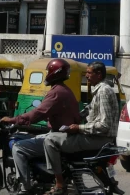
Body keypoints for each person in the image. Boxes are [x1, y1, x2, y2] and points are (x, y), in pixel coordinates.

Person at [0, 58, 80, 195]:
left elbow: (38, 113)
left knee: (18, 147)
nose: (47, 74)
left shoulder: (56, 92)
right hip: (64, 134)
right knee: (32, 138)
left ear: (54, 73)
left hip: (59, 136)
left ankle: (25, 188)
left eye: (48, 71)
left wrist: (14, 120)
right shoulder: (65, 90)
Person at [44, 61, 119, 195]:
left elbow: (104, 125)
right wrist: (74, 118)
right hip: (98, 137)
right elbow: (89, 110)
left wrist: (79, 128)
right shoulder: (99, 90)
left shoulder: (103, 91)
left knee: (50, 140)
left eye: (89, 73)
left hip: (99, 139)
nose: (87, 76)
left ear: (99, 74)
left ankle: (59, 184)